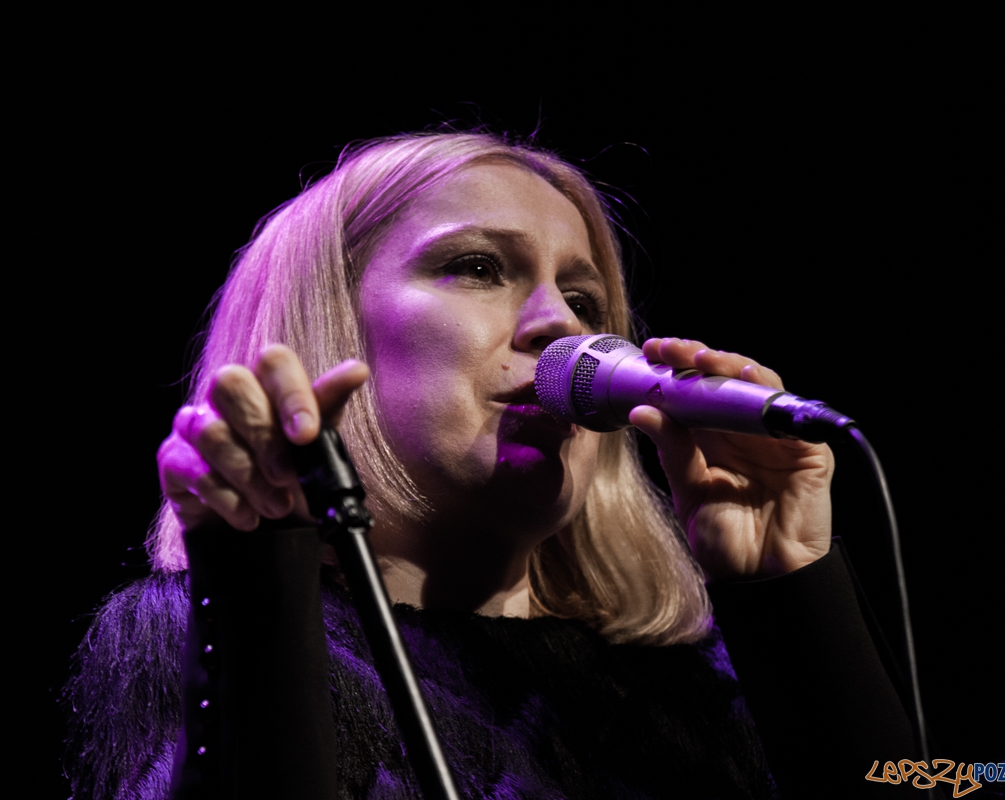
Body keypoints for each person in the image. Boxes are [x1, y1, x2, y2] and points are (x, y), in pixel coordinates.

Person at [64, 132, 921, 799]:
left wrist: (789, 591)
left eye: (585, 299)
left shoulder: (694, 687)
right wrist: (257, 583)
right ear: (328, 327)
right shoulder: (200, 634)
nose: (561, 326)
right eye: (477, 267)